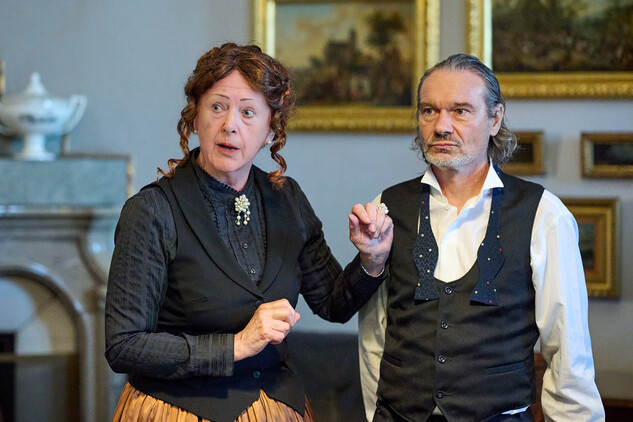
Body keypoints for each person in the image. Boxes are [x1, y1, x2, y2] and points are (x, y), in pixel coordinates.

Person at [104, 42, 392, 422]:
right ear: (195, 117)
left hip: (278, 406)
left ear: (271, 128)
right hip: (178, 410)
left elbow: (333, 305)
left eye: (248, 112)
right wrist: (236, 346)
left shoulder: (287, 198)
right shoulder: (152, 211)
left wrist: (371, 260)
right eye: (217, 107)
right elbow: (124, 346)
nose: (230, 125)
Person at [357, 53, 605, 422]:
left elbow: (568, 350)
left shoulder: (543, 214)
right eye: (429, 111)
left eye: (460, 111)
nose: (441, 126)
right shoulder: (387, 207)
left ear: (495, 118)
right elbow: (373, 335)